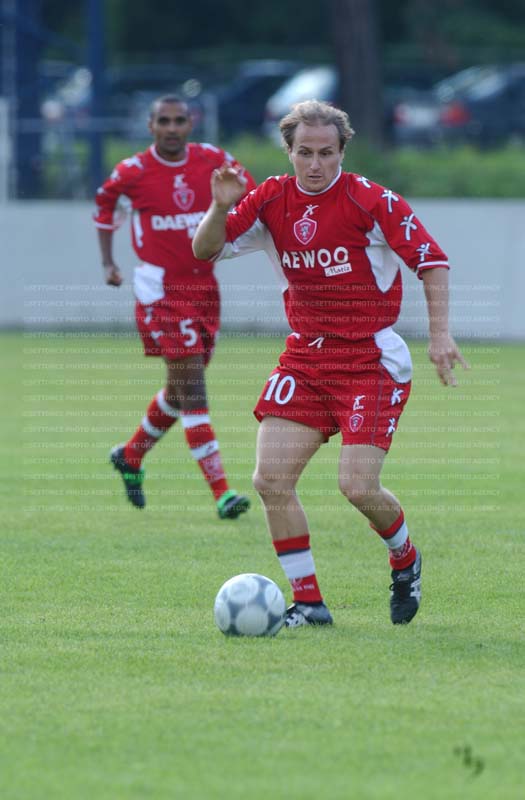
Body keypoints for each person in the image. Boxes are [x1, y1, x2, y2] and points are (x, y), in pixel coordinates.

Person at [192, 99, 469, 625]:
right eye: (304, 152)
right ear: (289, 151)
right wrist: (219, 208)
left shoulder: (371, 200)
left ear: (343, 151)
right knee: (270, 479)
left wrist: (439, 336)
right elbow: (204, 250)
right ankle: (310, 603)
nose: (314, 164)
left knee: (357, 486)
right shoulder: (270, 199)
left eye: (325, 153)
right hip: (306, 358)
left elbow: (432, 262)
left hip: (370, 360)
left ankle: (404, 557)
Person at [94, 95, 256, 518]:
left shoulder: (214, 161)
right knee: (194, 390)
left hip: (204, 288)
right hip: (161, 293)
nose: (171, 128)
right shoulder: (132, 171)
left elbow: (254, 197)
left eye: (179, 120)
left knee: (178, 390)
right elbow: (104, 206)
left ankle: (131, 455)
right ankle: (222, 493)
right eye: (163, 121)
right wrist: (109, 262)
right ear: (150, 126)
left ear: (190, 124)